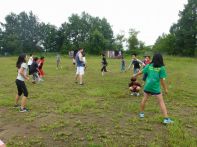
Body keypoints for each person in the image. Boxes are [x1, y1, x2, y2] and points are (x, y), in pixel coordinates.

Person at [133, 53, 173, 124]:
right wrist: (165, 89)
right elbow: (162, 81)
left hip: (148, 86)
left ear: (153, 58)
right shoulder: (162, 68)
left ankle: (141, 114)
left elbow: (141, 72)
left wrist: (135, 75)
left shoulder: (149, 65)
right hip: (155, 88)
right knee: (161, 102)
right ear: (161, 59)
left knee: (144, 99)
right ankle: (166, 119)